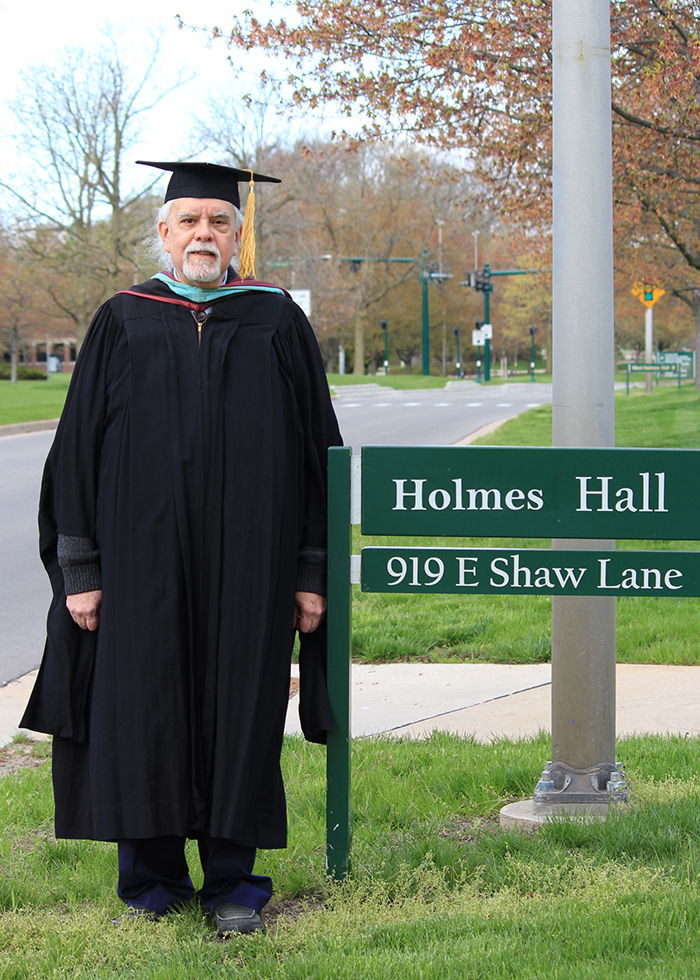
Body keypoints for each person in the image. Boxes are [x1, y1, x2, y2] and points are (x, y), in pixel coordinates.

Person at [21, 160, 342, 936]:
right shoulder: (122, 318)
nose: (205, 233)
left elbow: (315, 457)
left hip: (254, 569)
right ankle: (154, 882)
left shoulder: (274, 319)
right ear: (164, 233)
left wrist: (308, 573)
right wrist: (82, 571)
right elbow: (76, 456)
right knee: (145, 712)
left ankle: (235, 881)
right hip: (139, 570)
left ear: (238, 234)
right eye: (190, 221)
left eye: (219, 221)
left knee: (244, 711)